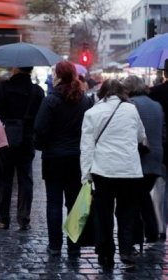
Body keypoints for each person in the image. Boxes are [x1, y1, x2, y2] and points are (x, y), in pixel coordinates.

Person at [80, 79, 146, 268]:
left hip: (103, 170)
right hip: (129, 170)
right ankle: (126, 250)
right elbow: (141, 135)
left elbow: (86, 148)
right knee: (127, 213)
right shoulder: (131, 109)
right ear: (122, 92)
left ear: (101, 93)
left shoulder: (91, 113)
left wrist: (86, 177)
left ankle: (105, 253)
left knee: (103, 213)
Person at [33, 61, 93, 257]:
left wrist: (42, 145)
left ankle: (55, 246)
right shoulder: (84, 100)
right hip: (76, 158)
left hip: (54, 158)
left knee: (54, 203)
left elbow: (40, 129)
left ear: (58, 76)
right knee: (74, 204)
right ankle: (74, 246)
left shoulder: (51, 100)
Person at [0, 66, 44, 231]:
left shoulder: (4, 87)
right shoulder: (37, 91)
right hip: (27, 140)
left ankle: (3, 219)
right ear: (30, 70)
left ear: (15, 68)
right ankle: (24, 220)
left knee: (5, 180)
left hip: (5, 138)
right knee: (25, 179)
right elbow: (40, 118)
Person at [123, 75, 164, 246]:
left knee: (136, 196)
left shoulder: (131, 105)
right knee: (142, 194)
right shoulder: (156, 105)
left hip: (139, 156)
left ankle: (143, 232)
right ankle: (151, 231)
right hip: (156, 155)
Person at [149, 59, 168, 242]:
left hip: (162, 147)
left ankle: (161, 227)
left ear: (164, 73)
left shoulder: (155, 93)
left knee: (159, 189)